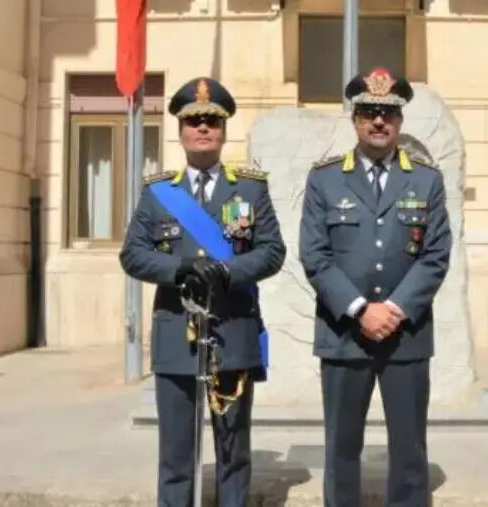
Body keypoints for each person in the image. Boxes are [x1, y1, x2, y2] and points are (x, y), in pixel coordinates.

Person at [119, 76, 286, 507]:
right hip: (178, 335)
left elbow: (272, 252)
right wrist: (180, 269)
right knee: (176, 454)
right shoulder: (159, 194)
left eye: (212, 120)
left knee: (233, 451)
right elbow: (133, 256)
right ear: (180, 130)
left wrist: (226, 272)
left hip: (233, 332)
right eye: (194, 121)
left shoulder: (249, 188)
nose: (203, 128)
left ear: (224, 129)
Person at [298, 67, 452, 507]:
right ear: (355, 119)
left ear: (400, 120)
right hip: (345, 334)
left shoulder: (425, 179)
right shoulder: (325, 178)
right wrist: (361, 309)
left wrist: (396, 309)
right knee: (342, 449)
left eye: (388, 112)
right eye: (369, 112)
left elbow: (436, 255)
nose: (379, 121)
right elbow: (315, 254)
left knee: (409, 449)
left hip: (406, 335)